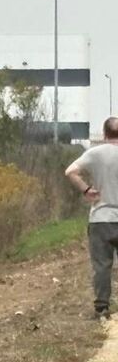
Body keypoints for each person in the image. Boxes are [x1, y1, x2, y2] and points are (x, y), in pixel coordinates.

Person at [65, 116, 118, 319]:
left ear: (105, 134)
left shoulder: (95, 153)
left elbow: (70, 171)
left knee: (102, 265)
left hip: (101, 218)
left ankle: (102, 308)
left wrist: (86, 190)